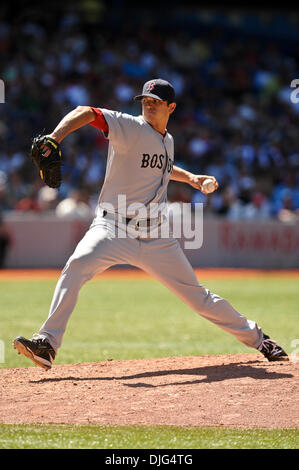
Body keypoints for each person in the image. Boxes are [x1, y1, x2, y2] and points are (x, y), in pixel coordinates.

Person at [13, 78, 288, 370]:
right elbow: (86, 111)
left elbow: (164, 167)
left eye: (155, 101)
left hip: (156, 235)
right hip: (112, 228)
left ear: (171, 107)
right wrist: (55, 138)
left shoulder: (167, 140)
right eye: (145, 99)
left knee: (198, 297)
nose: (148, 104)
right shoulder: (129, 127)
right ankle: (47, 344)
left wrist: (192, 178)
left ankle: (260, 340)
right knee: (77, 266)